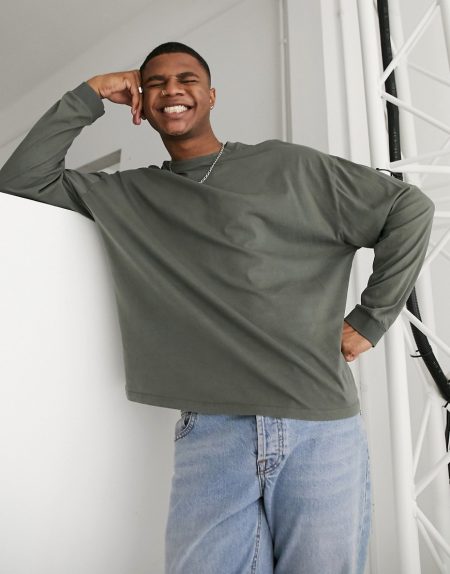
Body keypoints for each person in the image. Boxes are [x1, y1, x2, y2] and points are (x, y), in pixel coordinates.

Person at [0, 41, 434, 574]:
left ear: (210, 96)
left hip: (318, 426)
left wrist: (370, 318)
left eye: (187, 79)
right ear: (140, 103)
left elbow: (408, 208)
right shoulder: (132, 195)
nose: (172, 90)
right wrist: (89, 93)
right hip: (211, 431)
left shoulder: (286, 166)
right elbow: (20, 182)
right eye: (155, 83)